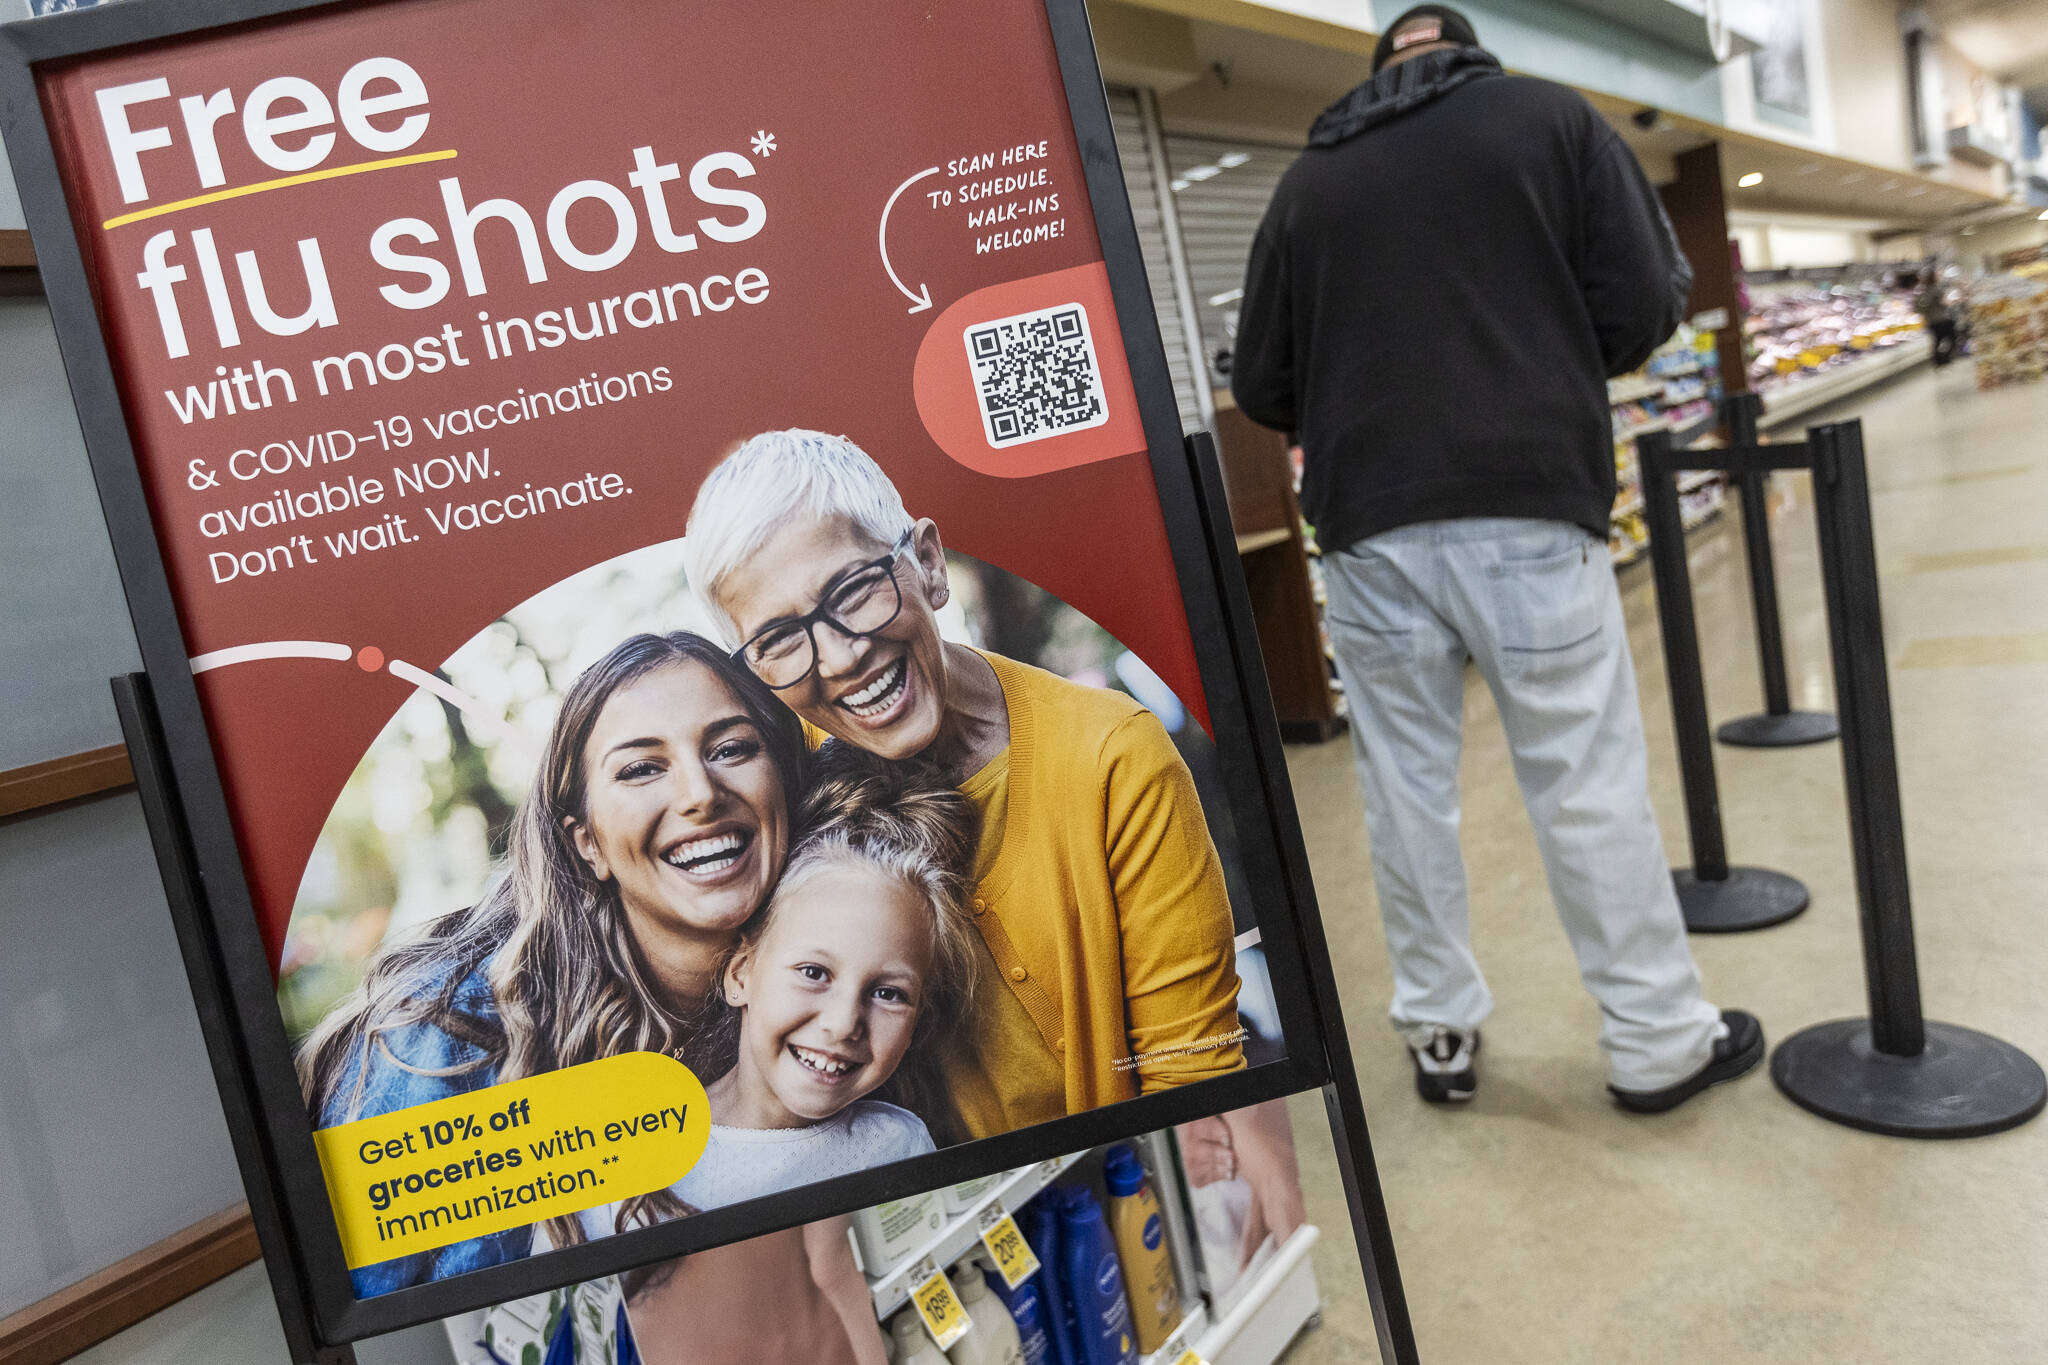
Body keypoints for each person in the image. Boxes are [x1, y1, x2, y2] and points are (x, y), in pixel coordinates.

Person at [1230, 4, 1761, 1111]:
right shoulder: (1550, 121)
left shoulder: (1306, 182)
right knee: (1581, 782)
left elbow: (1266, 388)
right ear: (1472, 54)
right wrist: (1542, 354)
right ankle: (1658, 1041)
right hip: (1525, 500)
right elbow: (1644, 301)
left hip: (1367, 529)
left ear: (1379, 69)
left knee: (1402, 793)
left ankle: (1437, 1034)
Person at [682, 429, 1246, 1139]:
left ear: (927, 562)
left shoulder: (1111, 757)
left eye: (853, 590)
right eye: (782, 639)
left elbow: (1193, 1074)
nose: (843, 656)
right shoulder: (780, 795)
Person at [298, 631, 808, 1294]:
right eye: (641, 768)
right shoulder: (442, 1039)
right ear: (588, 841)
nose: (701, 792)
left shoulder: (823, 997)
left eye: (731, 748)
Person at [589, 745, 981, 1231]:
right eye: (814, 973)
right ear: (740, 974)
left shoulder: (899, 1145)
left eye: (889, 994)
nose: (843, 1025)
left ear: (920, 1014)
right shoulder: (625, 1156)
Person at [1914, 267, 1958, 366]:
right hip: (1942, 319)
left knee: (1937, 341)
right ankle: (1944, 358)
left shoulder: (1922, 292)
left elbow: (1918, 308)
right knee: (1952, 337)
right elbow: (1944, 303)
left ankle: (1938, 360)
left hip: (1931, 321)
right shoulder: (1936, 290)